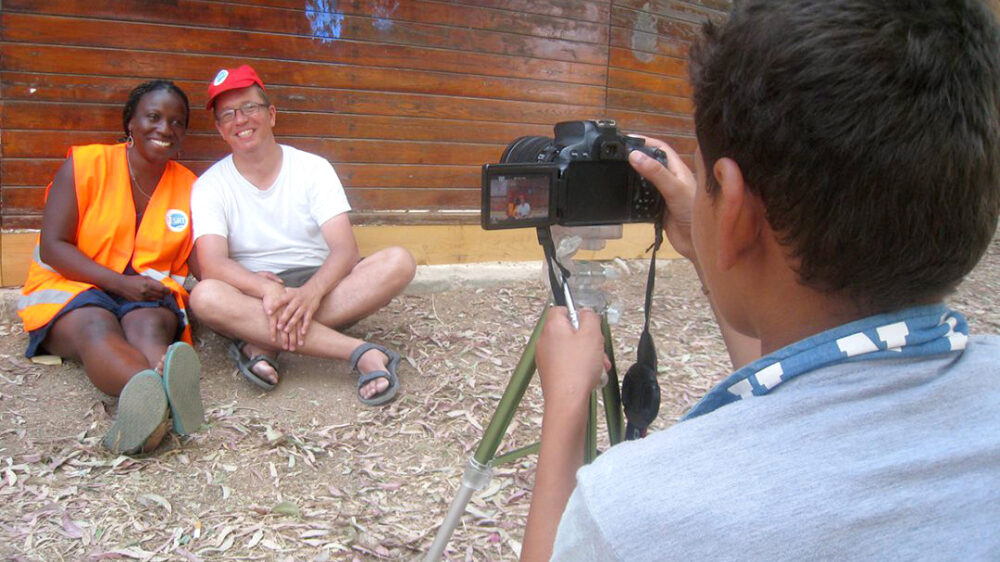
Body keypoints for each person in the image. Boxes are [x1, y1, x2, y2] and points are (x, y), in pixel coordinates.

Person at [521, 0, 1000, 560]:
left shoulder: (637, 516)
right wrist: (711, 249)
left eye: (702, 180)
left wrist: (567, 402)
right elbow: (806, 372)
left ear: (737, 212)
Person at [188, 65, 416, 406]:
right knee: (205, 296)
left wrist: (311, 293)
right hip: (254, 295)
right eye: (228, 115)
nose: (241, 120)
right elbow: (212, 264)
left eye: (250, 108)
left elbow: (344, 250)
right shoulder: (209, 185)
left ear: (272, 114)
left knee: (399, 261)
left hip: (321, 287)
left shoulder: (313, 168)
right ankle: (360, 352)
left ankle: (263, 342)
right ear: (221, 130)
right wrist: (264, 288)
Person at [17, 80, 205, 455]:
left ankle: (155, 390)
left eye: (177, 122)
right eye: (153, 117)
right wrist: (120, 285)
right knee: (95, 325)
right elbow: (54, 247)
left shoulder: (189, 185)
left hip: (147, 294)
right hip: (72, 287)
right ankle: (153, 389)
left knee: (149, 326)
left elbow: (203, 258)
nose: (165, 129)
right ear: (130, 123)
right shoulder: (86, 165)